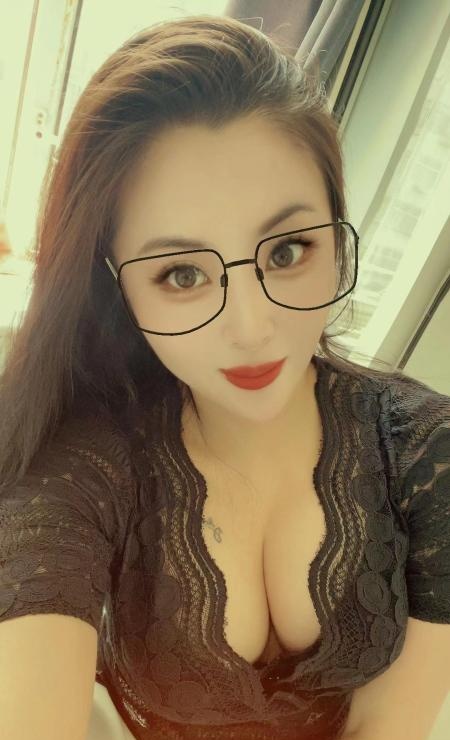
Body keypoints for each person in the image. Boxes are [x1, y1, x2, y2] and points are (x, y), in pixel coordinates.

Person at [0, 15, 449, 740]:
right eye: (182, 274)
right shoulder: (78, 463)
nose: (251, 327)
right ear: (117, 288)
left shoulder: (428, 451)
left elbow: (391, 725)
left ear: (336, 232)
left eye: (287, 252)